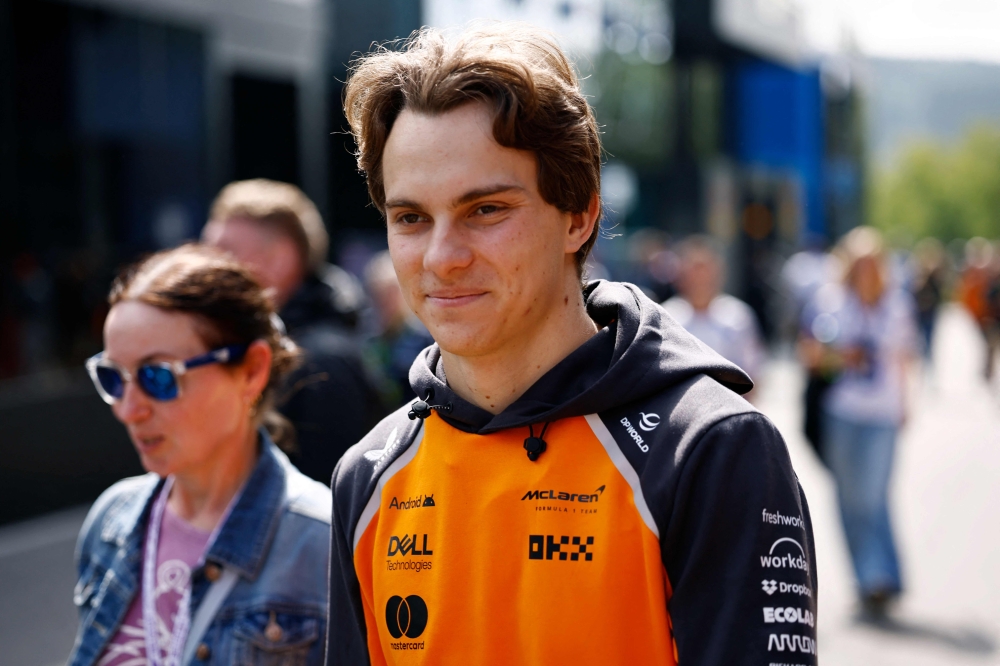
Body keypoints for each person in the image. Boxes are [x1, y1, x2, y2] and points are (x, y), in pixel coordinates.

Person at [327, 24, 817, 665]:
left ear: (579, 217)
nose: (442, 258)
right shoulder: (367, 474)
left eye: (485, 210)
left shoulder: (708, 449)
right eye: (411, 218)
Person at [69, 245, 331, 666]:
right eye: (113, 377)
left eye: (158, 377)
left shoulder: (322, 543)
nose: (127, 409)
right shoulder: (111, 523)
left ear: (252, 370)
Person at [202, 179, 386, 484]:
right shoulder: (271, 347)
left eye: (224, 251)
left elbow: (331, 500)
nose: (207, 268)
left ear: (280, 259)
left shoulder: (323, 365)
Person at [799, 226, 917, 617]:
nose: (866, 271)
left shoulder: (896, 305)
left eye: (873, 263)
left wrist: (906, 403)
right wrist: (844, 356)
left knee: (872, 494)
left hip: (882, 412)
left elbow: (903, 358)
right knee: (849, 497)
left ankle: (882, 573)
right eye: (859, 263)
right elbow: (811, 354)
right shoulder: (830, 302)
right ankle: (869, 576)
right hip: (843, 411)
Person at [662, 235, 766, 396]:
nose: (700, 278)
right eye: (694, 270)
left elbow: (753, 373)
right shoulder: (666, 316)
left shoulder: (738, 316)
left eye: (705, 269)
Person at [362, 250, 435, 407]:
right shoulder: (366, 338)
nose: (384, 300)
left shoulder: (426, 337)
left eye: (391, 293)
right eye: (378, 293)